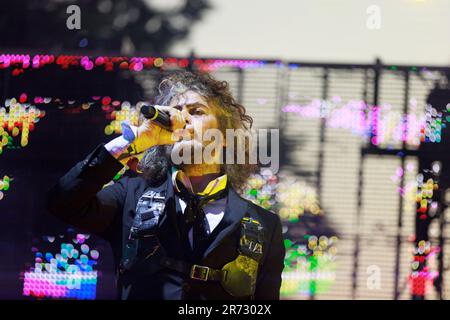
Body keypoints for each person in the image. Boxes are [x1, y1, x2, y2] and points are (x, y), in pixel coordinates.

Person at [46, 71, 285, 300]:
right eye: (176, 111)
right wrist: (131, 142)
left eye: (196, 111)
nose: (182, 120)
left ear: (224, 135)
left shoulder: (265, 225)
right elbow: (62, 202)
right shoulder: (131, 194)